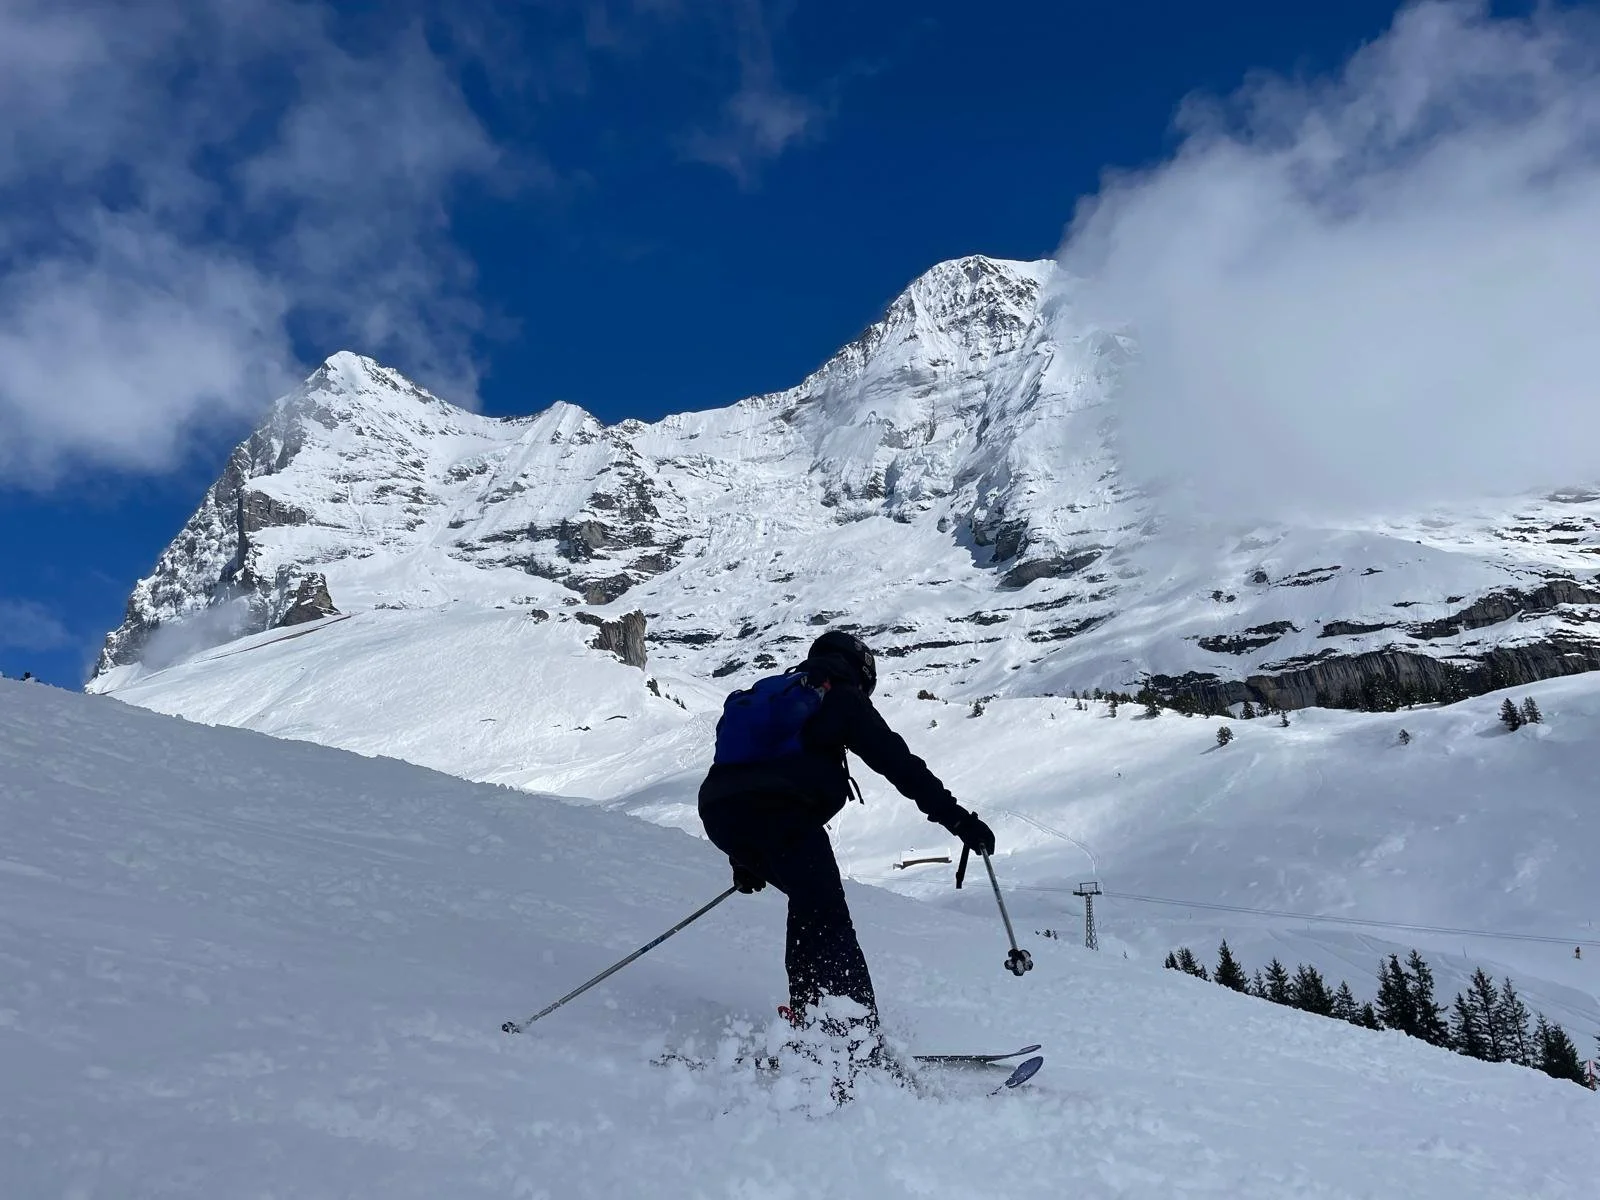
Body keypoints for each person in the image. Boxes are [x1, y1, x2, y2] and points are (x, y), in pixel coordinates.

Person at [697, 630, 995, 1050]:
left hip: (720, 815)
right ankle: (855, 1039)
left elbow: (743, 777)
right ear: (861, 672)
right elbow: (900, 766)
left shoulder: (777, 698)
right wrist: (960, 821)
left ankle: (813, 1019)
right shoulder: (838, 696)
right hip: (784, 819)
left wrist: (745, 860)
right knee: (829, 918)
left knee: (810, 906)